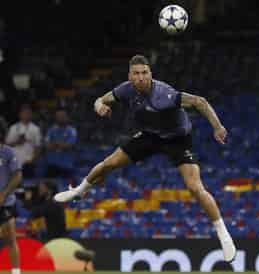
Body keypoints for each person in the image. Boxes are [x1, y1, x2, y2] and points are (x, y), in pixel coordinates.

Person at [54, 54, 236, 261]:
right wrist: (99, 106)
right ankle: (79, 191)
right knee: (109, 164)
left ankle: (223, 233)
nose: (141, 77)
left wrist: (217, 127)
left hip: (177, 139)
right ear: (130, 76)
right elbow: (101, 99)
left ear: (151, 74)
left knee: (195, 187)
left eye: (145, 73)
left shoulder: (164, 94)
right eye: (136, 73)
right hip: (150, 135)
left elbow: (199, 101)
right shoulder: (125, 89)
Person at [0, 125, 23, 274]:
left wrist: (4, 194)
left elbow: (17, 176)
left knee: (10, 239)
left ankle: (16, 272)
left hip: (5, 203)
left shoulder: (7, 152)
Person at [5, 105, 42, 178]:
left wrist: (32, 160)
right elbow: (6, 145)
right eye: (25, 113)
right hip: (15, 162)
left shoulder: (35, 129)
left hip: (29, 162)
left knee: (29, 183)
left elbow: (38, 147)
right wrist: (17, 142)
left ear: (31, 115)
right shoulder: (14, 128)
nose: (27, 115)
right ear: (20, 115)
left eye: (29, 113)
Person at [44, 109, 77, 178]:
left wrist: (55, 143)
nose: (61, 118)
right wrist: (62, 144)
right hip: (52, 164)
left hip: (67, 165)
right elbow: (47, 146)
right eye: (58, 116)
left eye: (63, 116)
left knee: (69, 187)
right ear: (55, 117)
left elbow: (69, 145)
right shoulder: (51, 130)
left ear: (67, 117)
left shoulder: (72, 130)